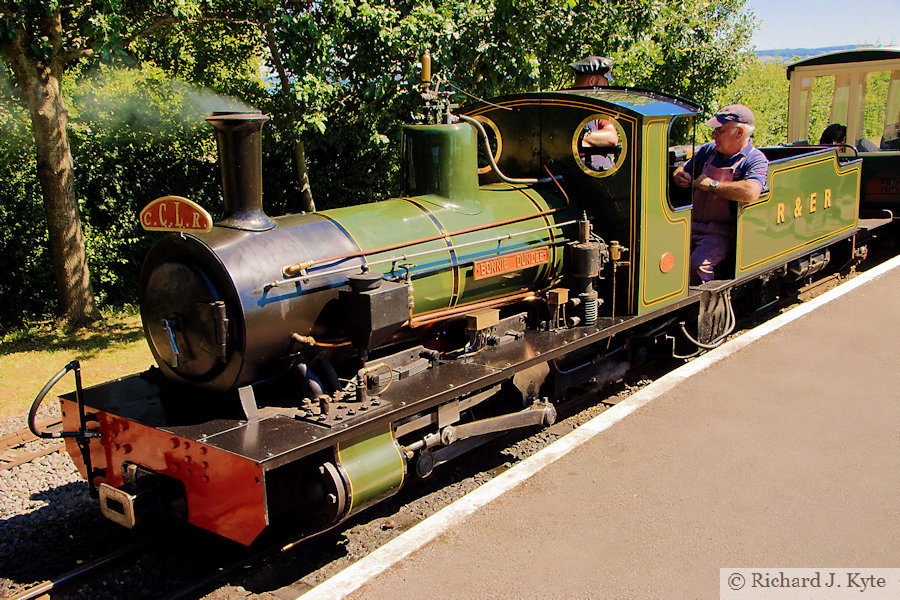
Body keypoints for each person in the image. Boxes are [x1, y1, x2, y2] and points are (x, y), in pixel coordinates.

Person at [673, 104, 769, 284]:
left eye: (720, 130)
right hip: (691, 223)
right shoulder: (709, 150)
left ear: (739, 132)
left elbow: (751, 192)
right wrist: (679, 176)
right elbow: (681, 169)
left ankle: (700, 305)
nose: (713, 135)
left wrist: (712, 185)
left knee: (697, 264)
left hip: (722, 232)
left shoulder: (755, 159)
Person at [569, 56, 618, 169]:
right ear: (592, 81)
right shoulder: (562, 105)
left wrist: (582, 137)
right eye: (603, 85)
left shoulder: (597, 109)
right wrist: (596, 141)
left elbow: (611, 138)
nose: (604, 91)